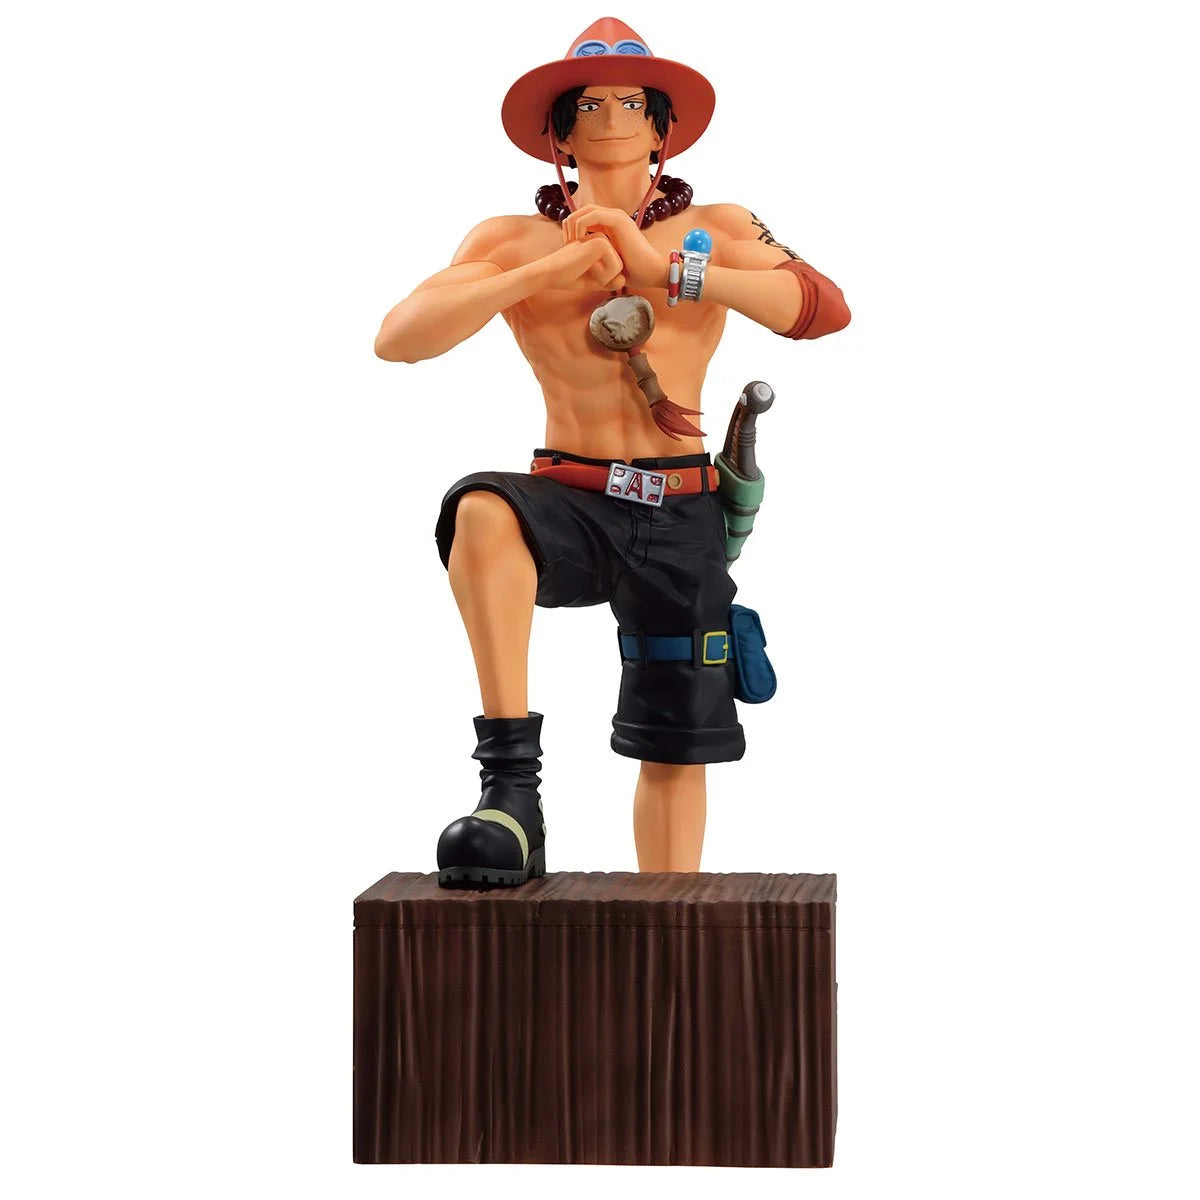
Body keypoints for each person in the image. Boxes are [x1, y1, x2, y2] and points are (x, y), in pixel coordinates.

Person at [374, 18, 850, 886]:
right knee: (482, 510)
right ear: (558, 135)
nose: (611, 119)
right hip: (573, 499)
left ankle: (669, 912)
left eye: (631, 103)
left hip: (682, 507)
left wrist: (666, 269)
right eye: (588, 106)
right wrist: (542, 276)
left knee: (676, 733)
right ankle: (510, 793)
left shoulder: (715, 226)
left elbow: (820, 306)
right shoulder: (508, 240)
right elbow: (399, 338)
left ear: (664, 127)